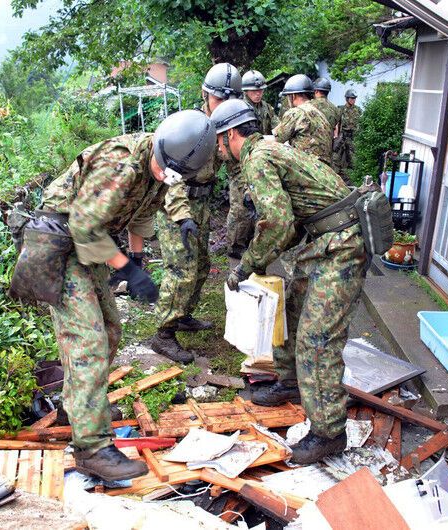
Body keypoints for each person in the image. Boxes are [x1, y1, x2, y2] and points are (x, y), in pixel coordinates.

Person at [39, 110, 216, 480]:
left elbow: (139, 215)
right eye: (164, 167)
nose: (164, 175)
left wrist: (137, 258)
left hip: (89, 242)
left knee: (110, 329)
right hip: (60, 241)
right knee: (86, 341)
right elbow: (82, 224)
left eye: (174, 174)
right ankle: (92, 448)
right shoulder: (121, 164)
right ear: (159, 144)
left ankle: (79, 410)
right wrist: (127, 269)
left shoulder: (164, 169)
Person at [211, 99, 367, 464]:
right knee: (291, 312)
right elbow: (294, 215)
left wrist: (247, 264)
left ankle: (328, 432)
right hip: (323, 242)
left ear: (231, 134)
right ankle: (291, 383)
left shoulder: (257, 158)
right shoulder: (269, 147)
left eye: (219, 141)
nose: (219, 150)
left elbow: (277, 222)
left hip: (342, 247)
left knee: (317, 339)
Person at [150, 63, 242, 363]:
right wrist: (182, 215)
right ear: (205, 94)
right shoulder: (188, 125)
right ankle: (163, 334)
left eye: (230, 100)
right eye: (219, 99)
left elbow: (237, 164)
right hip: (177, 200)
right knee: (181, 269)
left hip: (202, 202)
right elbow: (167, 172)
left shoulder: (227, 126)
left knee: (201, 265)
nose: (223, 106)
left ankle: (182, 315)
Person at [273, 74, 333, 166]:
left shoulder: (296, 112)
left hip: (306, 168)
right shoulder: (319, 113)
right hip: (324, 169)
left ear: (293, 96)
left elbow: (276, 140)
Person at [310, 77, 342, 173]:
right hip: (328, 151)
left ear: (315, 91)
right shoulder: (336, 110)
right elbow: (337, 132)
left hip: (311, 150)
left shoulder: (308, 105)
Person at [242, 70, 278, 135]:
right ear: (246, 91)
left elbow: (277, 125)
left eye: (260, 90)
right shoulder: (240, 109)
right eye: (254, 90)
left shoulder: (267, 107)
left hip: (266, 143)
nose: (258, 93)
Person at [335, 89, 361, 176]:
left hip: (353, 136)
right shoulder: (340, 109)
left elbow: (360, 123)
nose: (353, 100)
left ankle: (352, 175)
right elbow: (337, 123)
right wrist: (336, 135)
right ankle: (338, 174)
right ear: (347, 99)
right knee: (337, 156)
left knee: (353, 157)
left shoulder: (358, 110)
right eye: (351, 98)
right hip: (343, 135)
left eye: (354, 99)